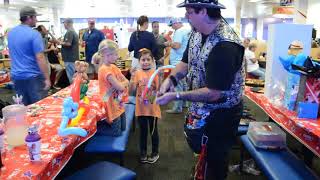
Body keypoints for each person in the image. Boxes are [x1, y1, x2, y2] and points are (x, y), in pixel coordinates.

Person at [156, 1, 245, 179]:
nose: (186, 16)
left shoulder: (226, 46)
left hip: (222, 113)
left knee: (216, 160)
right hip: (202, 108)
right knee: (202, 151)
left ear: (203, 12)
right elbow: (185, 62)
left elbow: (214, 93)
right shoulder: (197, 32)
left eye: (189, 12)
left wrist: (177, 95)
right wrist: (171, 80)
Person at [7, 6, 50, 105]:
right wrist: (47, 78)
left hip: (17, 77)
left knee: (23, 108)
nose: (36, 20)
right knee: (38, 108)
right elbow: (40, 57)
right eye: (35, 17)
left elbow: (12, 54)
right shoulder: (34, 34)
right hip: (33, 77)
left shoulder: (11, 33)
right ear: (29, 17)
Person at [130, 48, 161, 164]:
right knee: (142, 133)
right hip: (141, 110)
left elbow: (159, 90)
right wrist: (132, 78)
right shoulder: (137, 73)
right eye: (143, 60)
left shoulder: (155, 73)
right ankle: (143, 153)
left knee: (153, 133)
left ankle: (155, 152)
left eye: (148, 59)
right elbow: (131, 91)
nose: (146, 62)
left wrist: (161, 77)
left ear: (153, 61)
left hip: (152, 110)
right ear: (139, 61)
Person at [97, 39, 129, 137]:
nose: (117, 56)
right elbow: (121, 87)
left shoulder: (113, 67)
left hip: (116, 100)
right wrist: (122, 84)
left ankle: (107, 123)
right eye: (115, 54)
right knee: (117, 133)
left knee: (123, 127)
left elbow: (127, 81)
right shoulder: (104, 70)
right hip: (109, 101)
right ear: (107, 54)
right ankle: (98, 130)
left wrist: (122, 83)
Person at [164, 17, 190, 114]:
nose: (172, 28)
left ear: (176, 23)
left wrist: (168, 43)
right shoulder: (187, 30)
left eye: (172, 25)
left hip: (177, 62)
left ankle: (177, 107)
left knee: (177, 84)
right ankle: (184, 103)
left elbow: (177, 45)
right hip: (183, 61)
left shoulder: (179, 31)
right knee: (183, 84)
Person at [59, 18, 79, 83]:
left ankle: (73, 91)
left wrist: (59, 42)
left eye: (64, 23)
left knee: (71, 77)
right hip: (72, 57)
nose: (64, 25)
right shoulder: (73, 31)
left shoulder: (69, 32)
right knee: (74, 76)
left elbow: (68, 43)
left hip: (69, 58)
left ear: (68, 23)